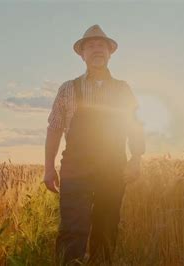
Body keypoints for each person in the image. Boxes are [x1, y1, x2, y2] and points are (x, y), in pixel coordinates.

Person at [43, 24, 145, 265]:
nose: (97, 49)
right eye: (91, 45)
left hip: (113, 167)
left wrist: (136, 158)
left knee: (107, 225)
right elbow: (54, 128)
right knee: (72, 226)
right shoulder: (67, 88)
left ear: (110, 52)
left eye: (102, 45)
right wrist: (49, 167)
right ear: (82, 54)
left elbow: (134, 125)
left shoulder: (123, 89)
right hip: (75, 168)